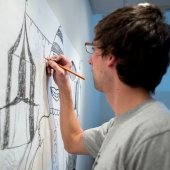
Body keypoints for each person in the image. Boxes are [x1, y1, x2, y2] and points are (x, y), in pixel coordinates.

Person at [46, 3, 170, 170]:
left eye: (94, 49)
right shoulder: (119, 124)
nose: (90, 60)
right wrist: (64, 84)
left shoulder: (157, 136)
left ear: (111, 55)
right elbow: (73, 140)